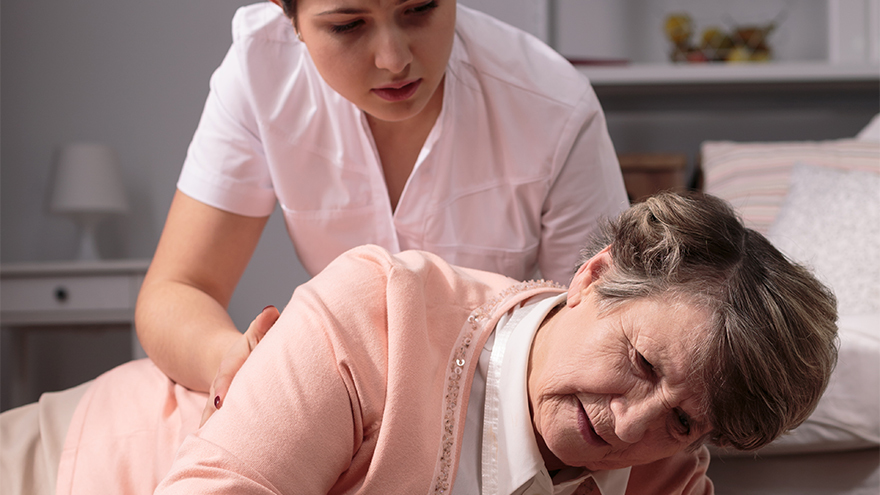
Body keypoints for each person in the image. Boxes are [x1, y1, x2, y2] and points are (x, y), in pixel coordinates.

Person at [47, 192, 835, 494]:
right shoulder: (379, 310)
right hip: (83, 457)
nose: (634, 427)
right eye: (640, 363)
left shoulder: (665, 470)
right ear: (594, 276)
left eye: (685, 420)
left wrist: (679, 429)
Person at [134, 0, 628, 414]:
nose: (393, 59)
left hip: (498, 403)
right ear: (290, 16)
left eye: (419, 9)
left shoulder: (552, 103)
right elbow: (177, 289)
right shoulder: (260, 70)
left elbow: (603, 322)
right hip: (333, 401)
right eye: (347, 25)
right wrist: (237, 360)